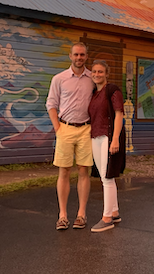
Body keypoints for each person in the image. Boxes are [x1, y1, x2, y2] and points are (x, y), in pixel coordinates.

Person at [46, 42, 95, 231]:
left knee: (84, 170)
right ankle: (63, 216)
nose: (79, 58)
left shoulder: (92, 78)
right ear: (70, 56)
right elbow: (51, 103)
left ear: (86, 57)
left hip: (85, 129)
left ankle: (81, 214)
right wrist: (57, 128)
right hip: (65, 128)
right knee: (64, 171)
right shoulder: (59, 79)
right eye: (76, 54)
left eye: (82, 55)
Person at [88, 60, 126, 233]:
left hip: (108, 136)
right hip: (95, 136)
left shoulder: (112, 90)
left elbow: (119, 114)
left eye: (100, 72)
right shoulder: (94, 93)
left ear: (107, 74)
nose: (97, 74)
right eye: (94, 72)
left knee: (107, 177)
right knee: (105, 176)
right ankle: (115, 212)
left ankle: (107, 218)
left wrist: (115, 139)